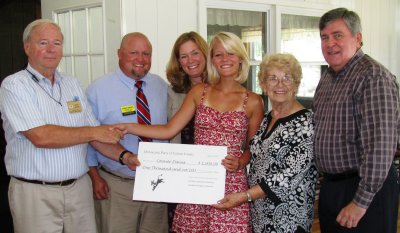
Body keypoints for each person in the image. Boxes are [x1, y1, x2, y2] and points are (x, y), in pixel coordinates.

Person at [0, 19, 139, 233]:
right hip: (36, 193)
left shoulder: (72, 84)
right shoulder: (14, 85)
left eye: (57, 43)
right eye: (43, 42)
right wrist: (95, 132)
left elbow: (97, 137)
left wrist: (125, 157)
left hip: (79, 191)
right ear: (27, 47)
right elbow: (41, 136)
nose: (51, 50)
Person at [117, 31, 264, 232]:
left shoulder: (254, 101)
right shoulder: (200, 92)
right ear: (211, 59)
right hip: (196, 184)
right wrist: (129, 127)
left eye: (231, 53)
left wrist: (240, 161)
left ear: (240, 58)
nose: (225, 59)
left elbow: (253, 149)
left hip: (232, 185)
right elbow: (169, 130)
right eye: (218, 54)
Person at [313, 8, 400, 233]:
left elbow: (380, 146)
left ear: (358, 38)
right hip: (332, 187)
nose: (330, 43)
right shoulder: (328, 79)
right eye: (324, 37)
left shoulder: (373, 77)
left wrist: (361, 202)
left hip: (365, 189)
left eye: (338, 35)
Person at [213, 53, 318, 233]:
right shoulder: (268, 117)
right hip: (260, 214)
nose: (280, 84)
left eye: (287, 78)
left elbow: (285, 178)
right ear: (263, 84)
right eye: (273, 78)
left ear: (296, 84)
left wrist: (243, 196)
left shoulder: (307, 124)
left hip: (288, 220)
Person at [85, 32, 169, 233]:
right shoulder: (97, 89)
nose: (141, 59)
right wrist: (94, 177)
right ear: (119, 54)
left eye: (146, 54)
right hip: (117, 185)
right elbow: (88, 137)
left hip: (157, 185)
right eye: (134, 53)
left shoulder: (161, 86)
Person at [165, 31, 208, 231]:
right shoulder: (172, 92)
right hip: (181, 178)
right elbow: (166, 131)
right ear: (178, 61)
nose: (190, 60)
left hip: (212, 176)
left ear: (205, 54)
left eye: (195, 53)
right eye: (183, 56)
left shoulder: (223, 89)